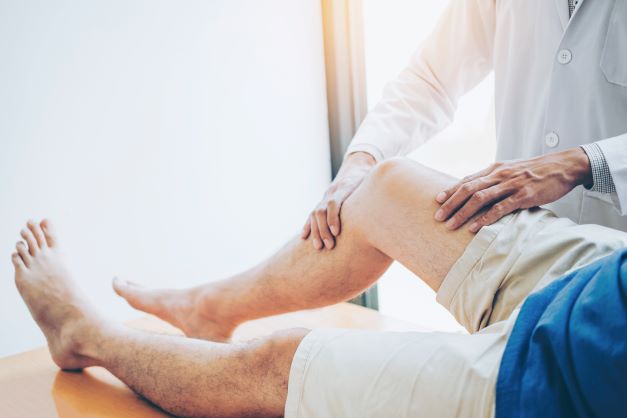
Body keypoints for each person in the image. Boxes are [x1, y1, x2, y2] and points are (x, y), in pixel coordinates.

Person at [12, 159, 627, 418]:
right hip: (608, 280)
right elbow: (435, 71)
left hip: (579, 377)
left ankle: (82, 335)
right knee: (384, 186)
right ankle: (208, 309)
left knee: (274, 362)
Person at [304, 0, 627, 252]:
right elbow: (433, 79)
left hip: (615, 248)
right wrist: (362, 160)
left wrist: (582, 163)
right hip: (520, 243)